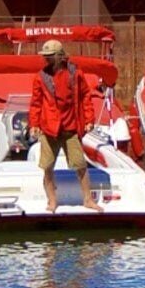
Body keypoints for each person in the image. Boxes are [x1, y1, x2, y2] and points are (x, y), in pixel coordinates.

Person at [32, 41, 106, 207]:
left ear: (60, 56)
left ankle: (88, 199)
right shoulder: (40, 77)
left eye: (50, 57)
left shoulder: (75, 73)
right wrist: (34, 124)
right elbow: (36, 102)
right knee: (47, 166)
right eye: (45, 57)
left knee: (80, 164)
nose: (46, 60)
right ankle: (52, 200)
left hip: (71, 127)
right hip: (49, 128)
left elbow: (85, 96)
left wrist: (89, 119)